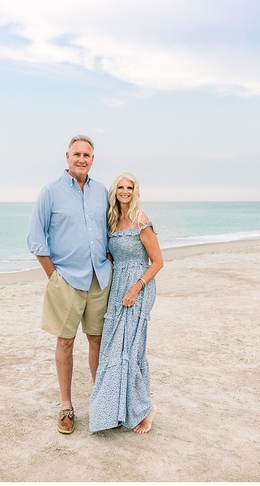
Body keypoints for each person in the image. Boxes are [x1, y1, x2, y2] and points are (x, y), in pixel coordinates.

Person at [27, 135, 112, 435]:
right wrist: (54, 277)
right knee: (65, 342)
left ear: (92, 159)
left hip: (99, 279)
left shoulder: (102, 192)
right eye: (76, 154)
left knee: (97, 340)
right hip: (66, 280)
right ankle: (66, 406)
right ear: (67, 156)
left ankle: (101, 403)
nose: (81, 159)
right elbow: (36, 240)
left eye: (87, 155)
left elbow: (111, 230)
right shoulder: (49, 192)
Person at [89, 172, 163, 434]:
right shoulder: (112, 222)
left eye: (129, 187)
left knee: (130, 349)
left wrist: (136, 288)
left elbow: (158, 262)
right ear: (114, 191)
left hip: (139, 288)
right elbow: (110, 255)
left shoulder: (141, 221)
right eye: (120, 187)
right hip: (117, 287)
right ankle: (118, 410)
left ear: (135, 191)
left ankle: (146, 409)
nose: (124, 191)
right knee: (112, 347)